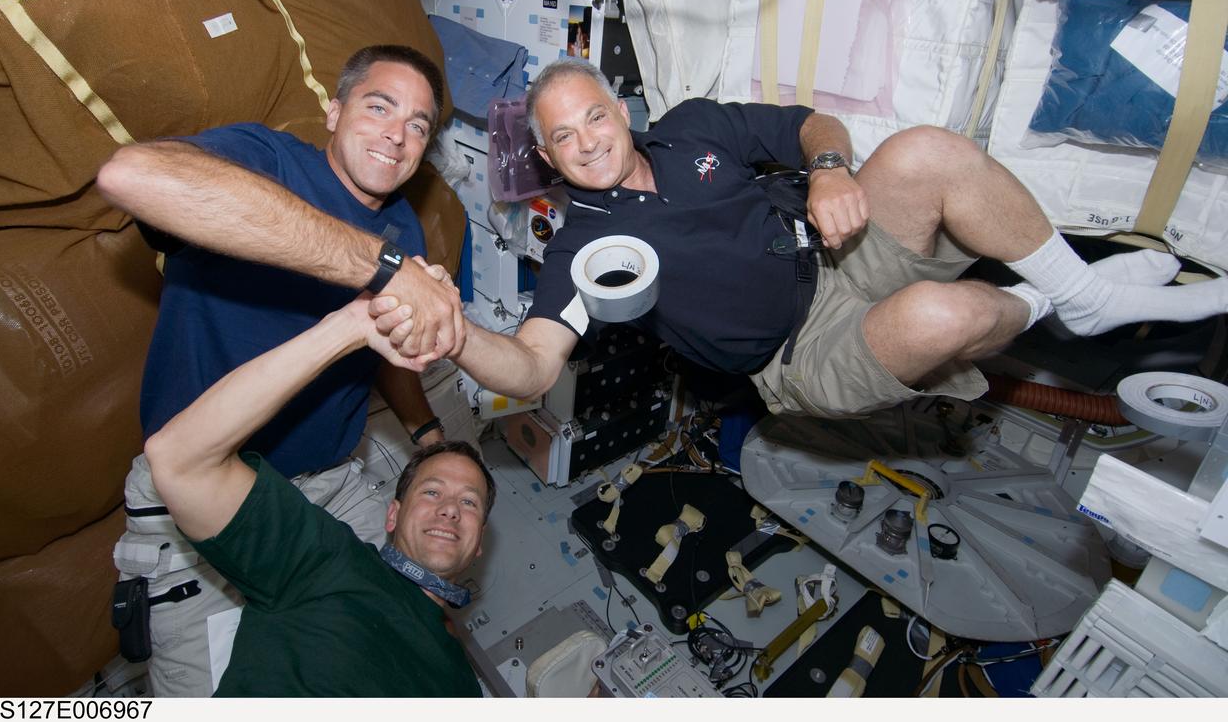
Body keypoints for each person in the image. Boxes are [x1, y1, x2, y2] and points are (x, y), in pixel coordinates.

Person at [378, 58, 1228, 420]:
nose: (588, 142)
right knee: (939, 316)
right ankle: (1057, 302)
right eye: (562, 137)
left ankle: (1084, 297)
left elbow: (811, 123)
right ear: (547, 154)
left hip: (832, 247)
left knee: (925, 150)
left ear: (621, 111)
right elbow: (531, 366)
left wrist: (825, 166)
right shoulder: (584, 253)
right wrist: (460, 339)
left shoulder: (692, 127)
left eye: (594, 117)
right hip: (798, 352)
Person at [97, 44, 467, 695]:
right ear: (333, 111)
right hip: (202, 490)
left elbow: (387, 345)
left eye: (418, 125)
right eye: (379, 107)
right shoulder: (267, 160)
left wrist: (427, 433)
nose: (397, 135)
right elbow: (133, 176)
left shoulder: (403, 227)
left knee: (398, 636)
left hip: (328, 488)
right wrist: (378, 269)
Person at [144, 293, 491, 696]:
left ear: (480, 541)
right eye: (431, 492)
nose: (450, 509)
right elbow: (179, 460)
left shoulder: (463, 686)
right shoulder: (329, 561)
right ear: (391, 515)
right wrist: (351, 326)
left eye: (469, 502)